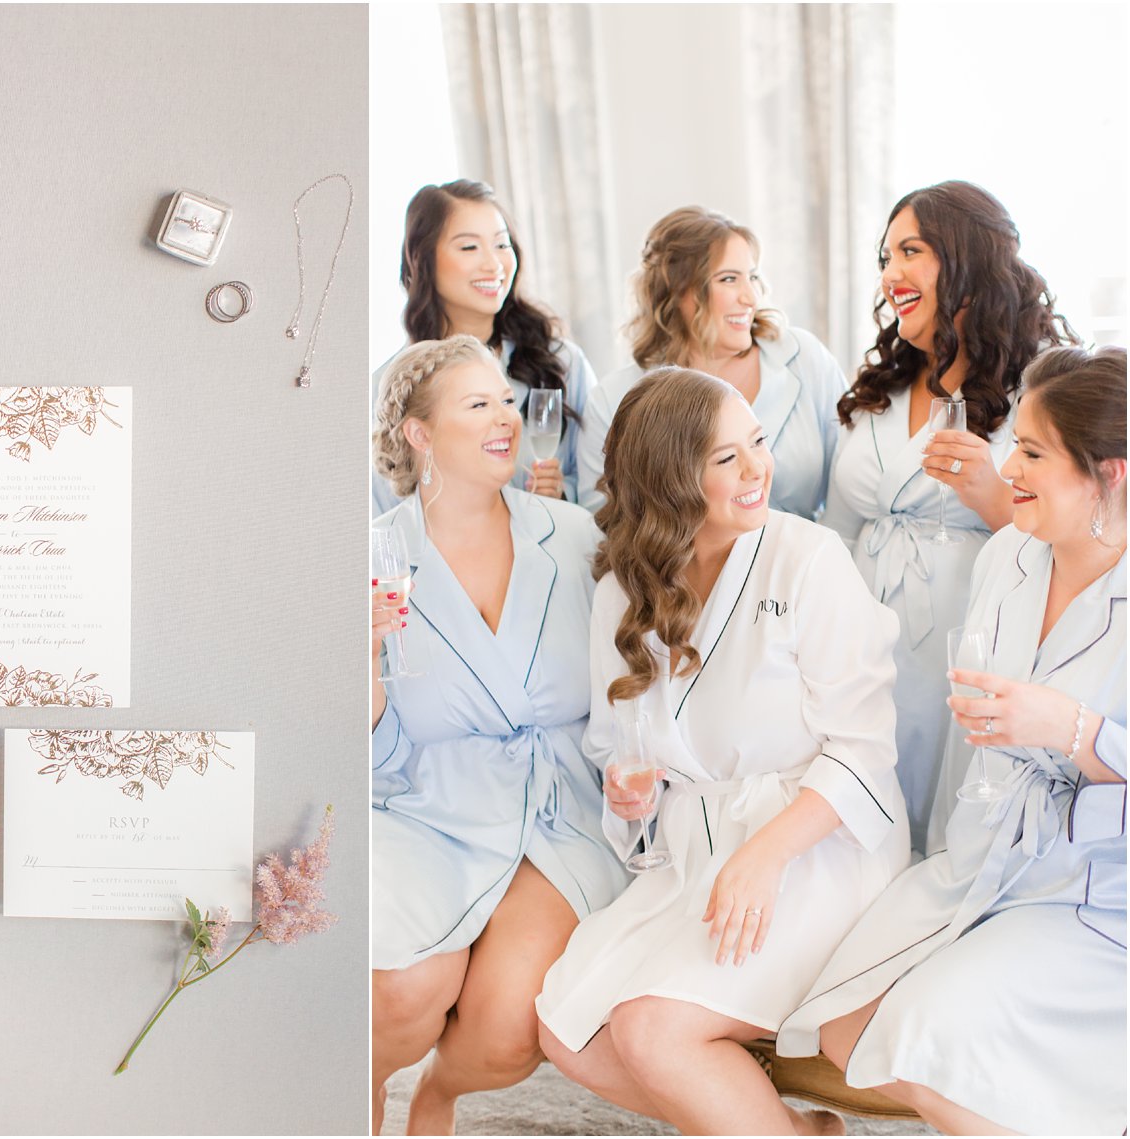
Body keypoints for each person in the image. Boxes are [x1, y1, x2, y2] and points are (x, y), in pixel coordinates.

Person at [536, 367, 909, 1135]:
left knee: (651, 1029)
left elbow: (866, 750)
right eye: (726, 459)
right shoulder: (622, 591)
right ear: (671, 479)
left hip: (816, 842)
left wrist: (766, 854)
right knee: (566, 1030)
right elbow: (618, 749)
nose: (757, 470)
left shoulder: (806, 559)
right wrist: (628, 795)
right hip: (696, 851)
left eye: (758, 444)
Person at [780, 345, 1127, 1136]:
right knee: (840, 1028)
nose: (1008, 470)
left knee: (926, 1034)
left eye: (1033, 453)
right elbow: (974, 720)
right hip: (985, 855)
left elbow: (1059, 728)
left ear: (1109, 472)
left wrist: (1073, 730)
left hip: (1098, 887)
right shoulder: (1007, 554)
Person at [370, 335, 626, 1135]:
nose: (505, 420)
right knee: (399, 989)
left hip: (562, 809)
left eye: (508, 402)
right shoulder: (375, 558)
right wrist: (359, 652)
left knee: (509, 1022)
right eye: (478, 404)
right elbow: (371, 753)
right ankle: (357, 1102)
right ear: (419, 433)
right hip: (424, 806)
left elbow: (625, 680)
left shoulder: (574, 535)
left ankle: (439, 1093)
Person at [820, 180, 1079, 851]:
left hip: (964, 636)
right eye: (885, 256)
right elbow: (837, 530)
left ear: (966, 261)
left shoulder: (1037, 388)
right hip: (862, 635)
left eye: (911, 250)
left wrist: (993, 496)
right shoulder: (879, 389)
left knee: (937, 835)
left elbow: (1077, 543)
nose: (890, 273)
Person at [575, 206, 845, 520]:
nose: (750, 297)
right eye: (729, 279)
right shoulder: (615, 398)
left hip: (802, 561)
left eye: (752, 277)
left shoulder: (804, 358)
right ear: (678, 292)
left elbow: (845, 488)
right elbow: (603, 522)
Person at [371, 179, 598, 514]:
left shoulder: (563, 363)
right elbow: (385, 518)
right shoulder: (388, 387)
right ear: (423, 260)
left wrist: (560, 499)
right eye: (468, 248)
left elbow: (604, 491)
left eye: (501, 245)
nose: (493, 264)